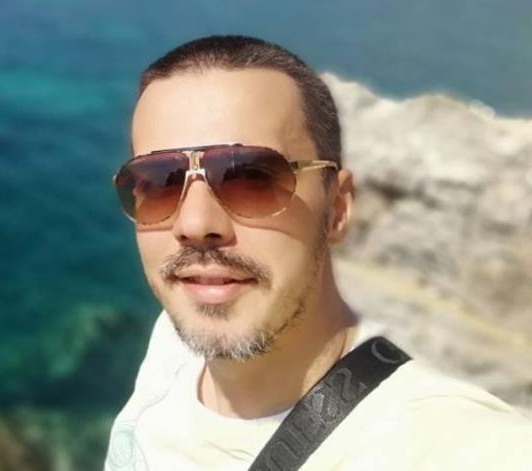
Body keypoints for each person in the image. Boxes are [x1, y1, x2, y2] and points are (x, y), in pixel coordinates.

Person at [104, 35, 532, 470]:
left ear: (338, 208)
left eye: (250, 177)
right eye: (158, 182)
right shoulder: (173, 345)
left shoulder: (451, 446)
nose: (195, 224)